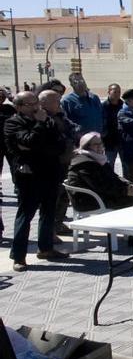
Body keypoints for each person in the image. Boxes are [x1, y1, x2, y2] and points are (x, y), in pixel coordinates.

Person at [5, 92, 68, 271]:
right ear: (19, 107)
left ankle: (46, 248)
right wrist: (39, 131)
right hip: (29, 176)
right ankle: (18, 256)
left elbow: (59, 143)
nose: (35, 107)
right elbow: (28, 141)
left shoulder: (47, 120)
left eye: (36, 103)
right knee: (26, 215)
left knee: (48, 212)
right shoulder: (13, 123)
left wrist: (38, 144)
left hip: (50, 172)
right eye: (30, 104)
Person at [66, 132, 133, 211]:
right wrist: (124, 190)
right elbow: (100, 186)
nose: (100, 147)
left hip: (100, 195)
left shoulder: (97, 158)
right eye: (95, 144)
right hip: (88, 201)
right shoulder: (84, 162)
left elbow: (113, 176)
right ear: (86, 147)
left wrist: (128, 184)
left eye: (101, 143)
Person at [39, 90, 79, 238]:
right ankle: (49, 231)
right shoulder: (42, 117)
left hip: (66, 160)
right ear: (44, 103)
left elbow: (73, 127)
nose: (59, 103)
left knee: (64, 195)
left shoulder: (60, 115)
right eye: (56, 100)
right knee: (53, 198)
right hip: (53, 163)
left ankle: (58, 223)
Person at [101, 83, 124, 169]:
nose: (117, 94)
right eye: (115, 92)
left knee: (127, 167)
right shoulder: (103, 107)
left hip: (122, 141)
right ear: (109, 92)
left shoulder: (124, 106)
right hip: (109, 143)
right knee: (109, 167)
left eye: (119, 92)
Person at [0, 88, 16, 177]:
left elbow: (21, 108)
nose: (1, 98)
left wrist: (11, 98)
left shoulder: (8, 108)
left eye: (2, 96)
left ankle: (18, 185)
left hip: (9, 142)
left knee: (14, 165)